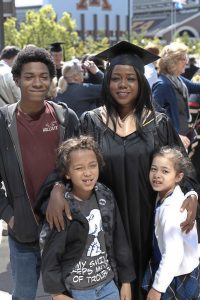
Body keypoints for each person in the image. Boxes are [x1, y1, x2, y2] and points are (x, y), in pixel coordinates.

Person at [40, 41, 199, 300]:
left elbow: (182, 169)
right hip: (104, 224)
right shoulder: (91, 121)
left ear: (140, 83)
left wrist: (192, 195)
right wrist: (57, 188)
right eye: (116, 78)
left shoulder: (157, 123)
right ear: (106, 82)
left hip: (149, 220)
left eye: (130, 79)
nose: (123, 85)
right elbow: (67, 165)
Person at [0, 46, 78, 300]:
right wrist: (9, 214)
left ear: (52, 78)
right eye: (29, 76)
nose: (37, 82)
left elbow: (78, 168)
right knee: (23, 294)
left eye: (43, 76)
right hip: (23, 231)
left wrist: (59, 188)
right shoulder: (3, 121)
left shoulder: (65, 117)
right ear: (17, 80)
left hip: (63, 228)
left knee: (68, 293)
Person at [40, 136, 135, 300]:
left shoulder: (106, 195)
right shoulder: (62, 207)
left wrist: (126, 281)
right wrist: (56, 293)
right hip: (77, 291)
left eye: (93, 165)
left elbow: (120, 240)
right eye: (79, 168)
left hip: (108, 286)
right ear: (67, 173)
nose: (87, 173)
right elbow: (50, 252)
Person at [142, 146, 199, 300]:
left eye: (165, 171)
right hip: (176, 269)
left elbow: (174, 254)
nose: (157, 175)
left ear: (178, 177)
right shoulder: (168, 194)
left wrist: (157, 288)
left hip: (176, 275)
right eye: (154, 169)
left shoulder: (171, 210)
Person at [152, 42, 200, 149]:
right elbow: (153, 116)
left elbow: (197, 87)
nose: (186, 61)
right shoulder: (162, 85)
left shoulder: (178, 80)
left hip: (181, 140)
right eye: (183, 58)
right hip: (170, 142)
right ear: (172, 62)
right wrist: (175, 135)